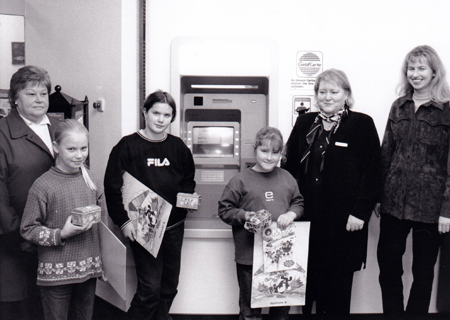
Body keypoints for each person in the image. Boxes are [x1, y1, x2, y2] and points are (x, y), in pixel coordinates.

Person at [283, 69, 381, 316]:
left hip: (344, 220)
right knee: (307, 283)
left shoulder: (361, 124)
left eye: (334, 92)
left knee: (337, 286)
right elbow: (290, 166)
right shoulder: (305, 122)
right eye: (322, 91)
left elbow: (373, 172)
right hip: (308, 216)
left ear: (346, 94)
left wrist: (360, 212)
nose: (327, 97)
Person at [104, 90, 196, 320]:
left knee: (169, 286)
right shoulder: (126, 146)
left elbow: (188, 180)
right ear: (145, 112)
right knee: (150, 289)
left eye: (167, 115)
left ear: (172, 118)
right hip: (143, 227)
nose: (160, 119)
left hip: (174, 227)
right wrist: (123, 222)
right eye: (156, 112)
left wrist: (188, 200)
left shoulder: (178, 147)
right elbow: (112, 188)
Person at [377, 45, 450, 316]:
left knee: (422, 273)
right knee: (388, 267)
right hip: (394, 204)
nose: (415, 74)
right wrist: (378, 196)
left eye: (421, 68)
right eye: (411, 68)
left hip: (430, 210)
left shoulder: (447, 110)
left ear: (434, 73)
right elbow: (386, 153)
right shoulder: (399, 106)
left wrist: (447, 209)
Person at [20, 119, 106, 320]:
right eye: (72, 149)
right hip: (55, 275)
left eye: (84, 148)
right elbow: (27, 229)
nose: (79, 155)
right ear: (56, 147)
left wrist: (105, 263)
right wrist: (61, 234)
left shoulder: (93, 180)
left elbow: (104, 225)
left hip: (89, 269)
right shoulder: (43, 186)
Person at [218, 126, 305, 320]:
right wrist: (245, 216)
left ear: (281, 153)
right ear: (255, 150)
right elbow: (224, 210)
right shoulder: (240, 180)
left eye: (275, 152)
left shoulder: (287, 178)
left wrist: (291, 214)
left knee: (281, 311)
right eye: (264, 151)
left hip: (282, 258)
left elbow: (298, 202)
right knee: (250, 311)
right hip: (250, 257)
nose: (269, 157)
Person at [0, 65, 57, 320]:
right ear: (15, 98)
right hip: (16, 243)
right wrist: (19, 237)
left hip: (56, 240)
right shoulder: (2, 134)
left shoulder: (59, 128)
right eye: (30, 94)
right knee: (20, 306)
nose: (38, 99)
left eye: (43, 93)